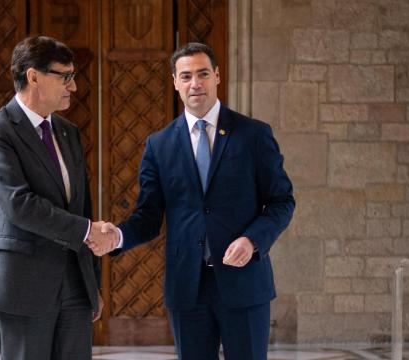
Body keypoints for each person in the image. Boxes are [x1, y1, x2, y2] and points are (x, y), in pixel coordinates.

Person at [87, 42, 295, 359]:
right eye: (186, 76)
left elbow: (281, 202)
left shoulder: (253, 134)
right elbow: (147, 217)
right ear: (174, 82)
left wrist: (252, 240)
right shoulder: (159, 145)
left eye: (202, 74)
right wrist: (116, 236)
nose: (195, 83)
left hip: (244, 285)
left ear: (217, 76)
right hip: (188, 289)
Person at [0, 36, 114, 360]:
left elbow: (83, 208)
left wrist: (92, 283)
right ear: (33, 76)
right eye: (65, 76)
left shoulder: (68, 132)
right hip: (22, 283)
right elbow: (18, 205)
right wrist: (86, 230)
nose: (74, 86)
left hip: (75, 285)